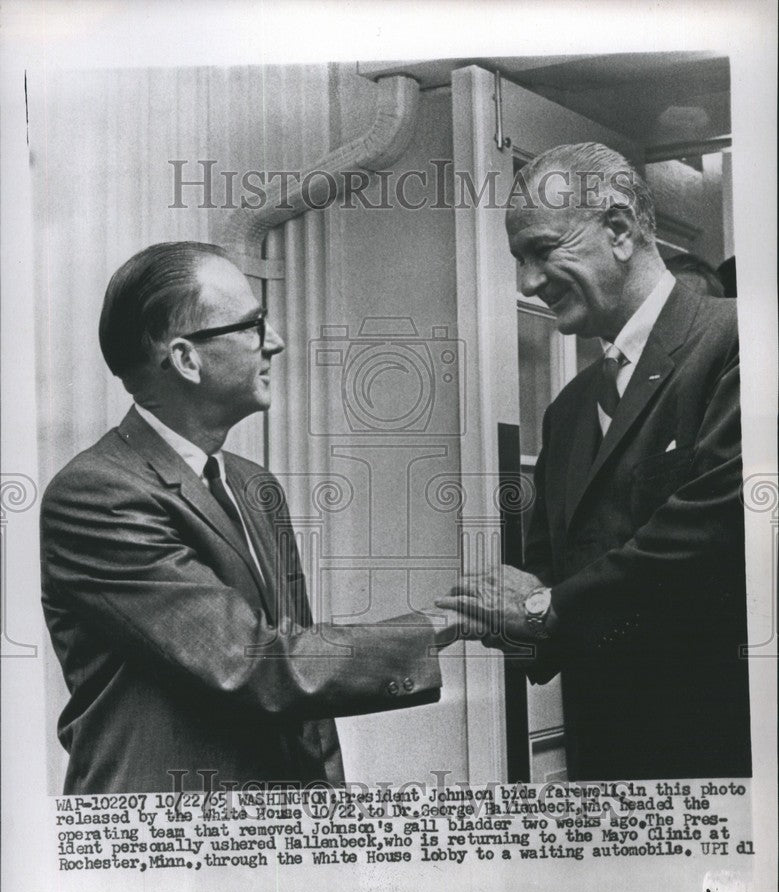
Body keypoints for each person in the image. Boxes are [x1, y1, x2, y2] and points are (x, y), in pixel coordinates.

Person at [41, 242, 462, 794]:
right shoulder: (96, 495)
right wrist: (444, 622)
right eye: (252, 325)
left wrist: (330, 814)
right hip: (164, 843)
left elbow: (301, 672)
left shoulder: (254, 485)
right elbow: (253, 663)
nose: (276, 342)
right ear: (187, 359)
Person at [439, 143, 751, 780]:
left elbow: (720, 530)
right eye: (517, 261)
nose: (526, 283)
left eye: (541, 250)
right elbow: (546, 575)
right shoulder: (569, 411)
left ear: (619, 230)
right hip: (602, 773)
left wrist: (542, 608)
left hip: (726, 763)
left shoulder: (743, 338)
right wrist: (496, 614)